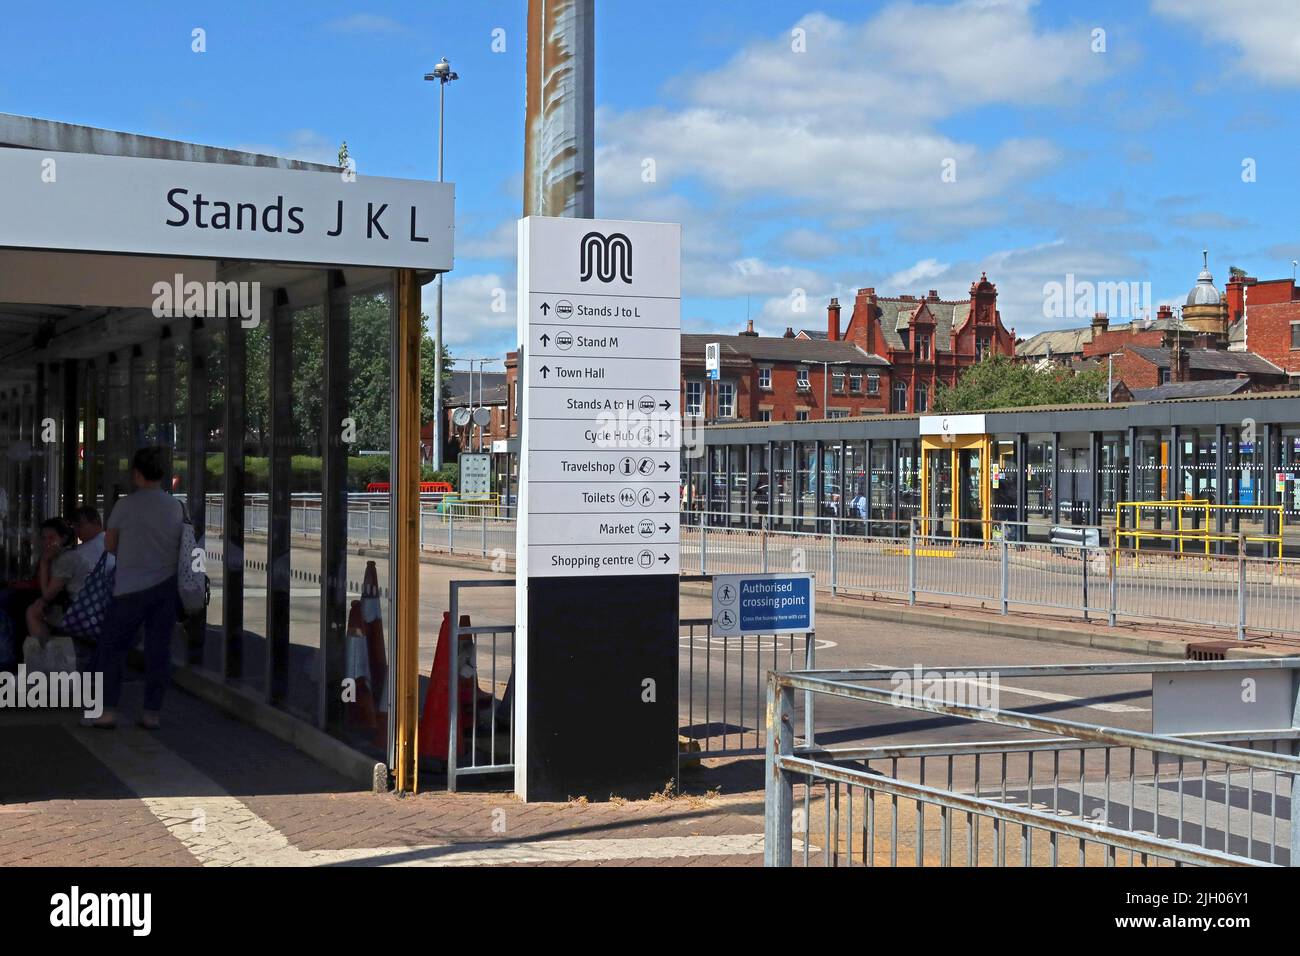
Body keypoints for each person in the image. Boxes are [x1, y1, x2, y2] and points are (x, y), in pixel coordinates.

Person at [89, 447, 184, 730]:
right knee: (158, 650)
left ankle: (107, 710)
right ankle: (151, 713)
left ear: (137, 474)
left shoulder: (125, 506)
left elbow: (109, 546)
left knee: (113, 648)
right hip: (165, 588)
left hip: (128, 588)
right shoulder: (176, 506)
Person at [21, 518, 80, 668]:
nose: (47, 542)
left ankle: (43, 660)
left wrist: (45, 563)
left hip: (77, 611)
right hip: (70, 605)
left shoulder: (66, 559)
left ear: (64, 538)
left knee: (33, 611)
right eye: (44, 538)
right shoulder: (62, 556)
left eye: (51, 537)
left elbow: (47, 594)